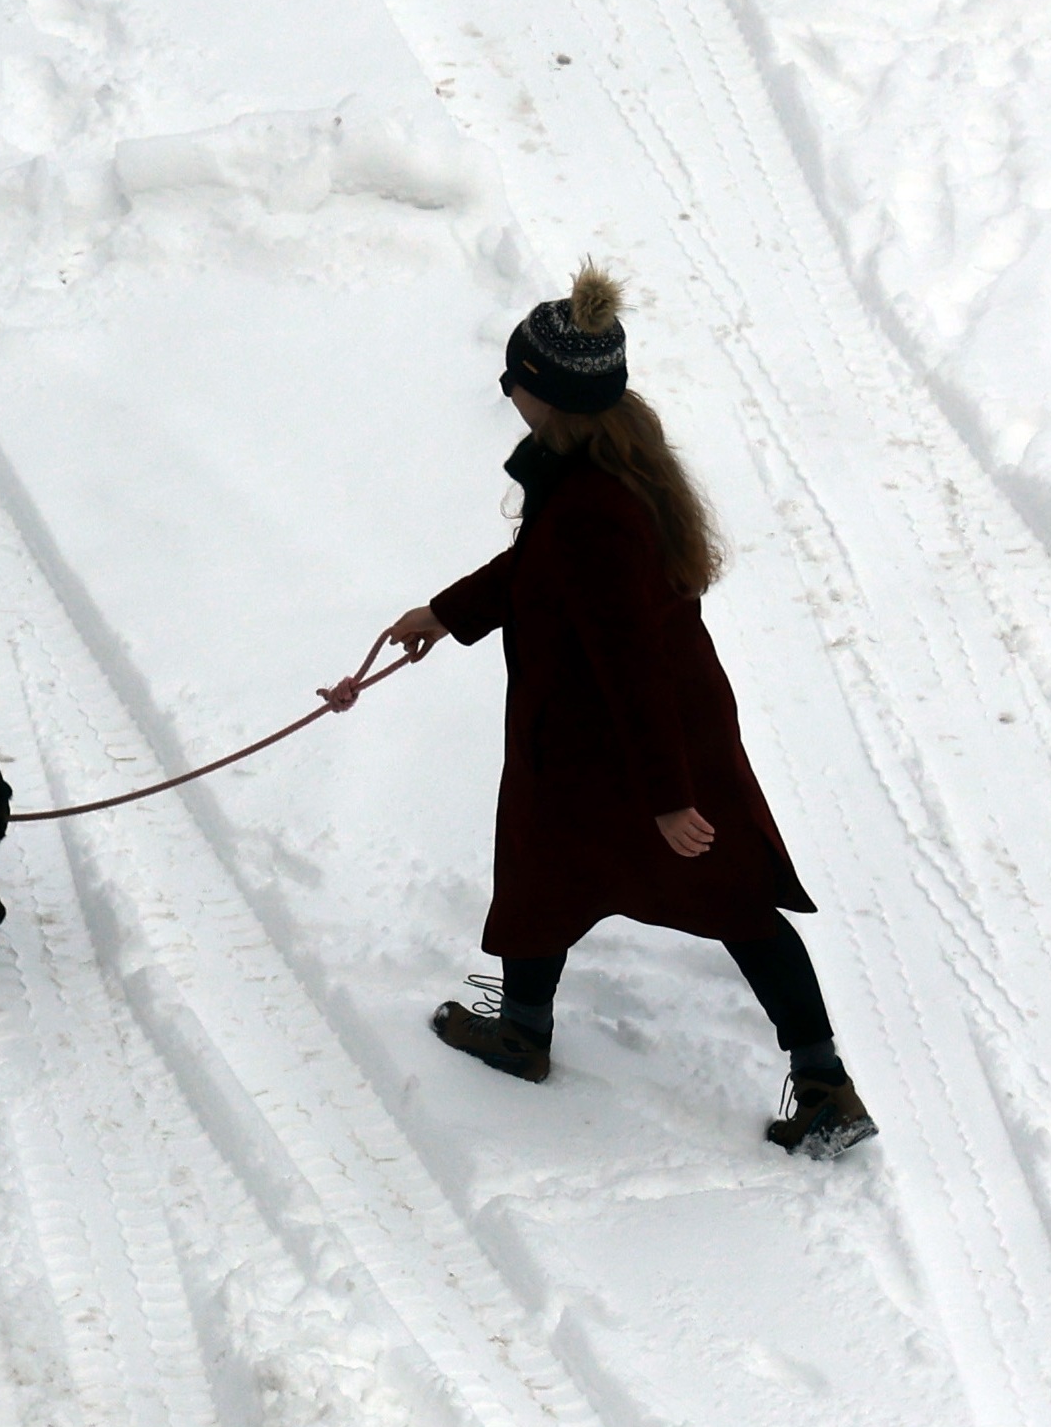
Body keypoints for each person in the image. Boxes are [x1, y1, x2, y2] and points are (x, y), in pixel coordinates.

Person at [373, 266, 873, 1158]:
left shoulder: (596, 508)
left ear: (551, 395)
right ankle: (535, 1032)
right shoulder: (605, 458)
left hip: (620, 740)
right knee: (590, 877)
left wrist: (670, 796)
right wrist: (446, 616)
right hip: (638, 734)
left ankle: (817, 1084)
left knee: (677, 882)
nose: (506, 391)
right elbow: (540, 573)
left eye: (512, 378)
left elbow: (630, 659)